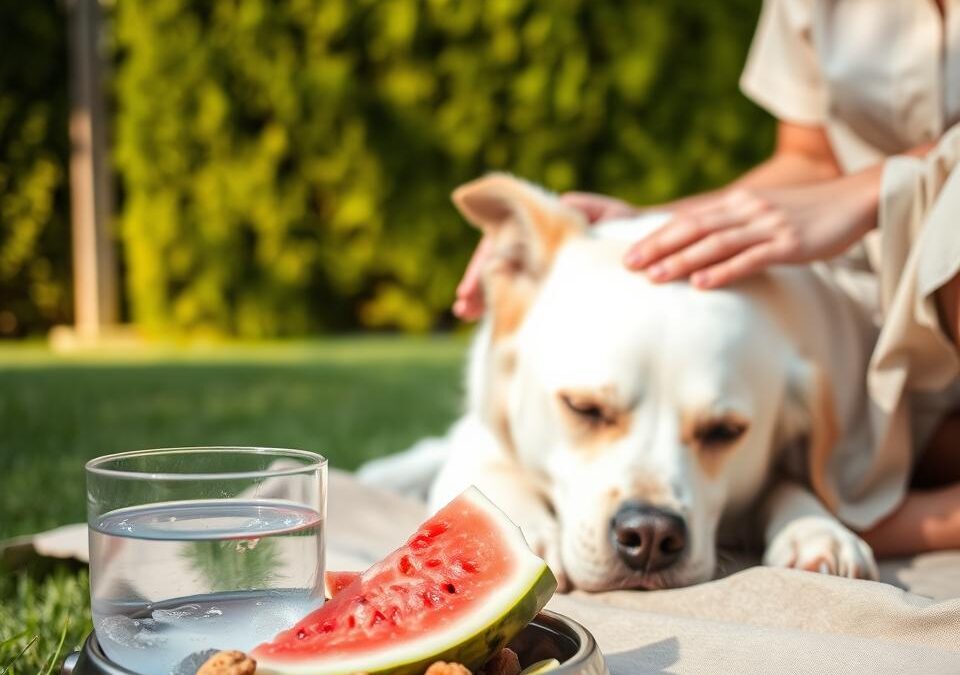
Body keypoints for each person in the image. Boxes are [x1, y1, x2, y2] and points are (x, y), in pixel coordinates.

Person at [453, 0, 960, 558]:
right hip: (856, 297)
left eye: (718, 432)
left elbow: (836, 192)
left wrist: (875, 191)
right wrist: (652, 226)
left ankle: (909, 521)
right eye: (589, 411)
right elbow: (811, 162)